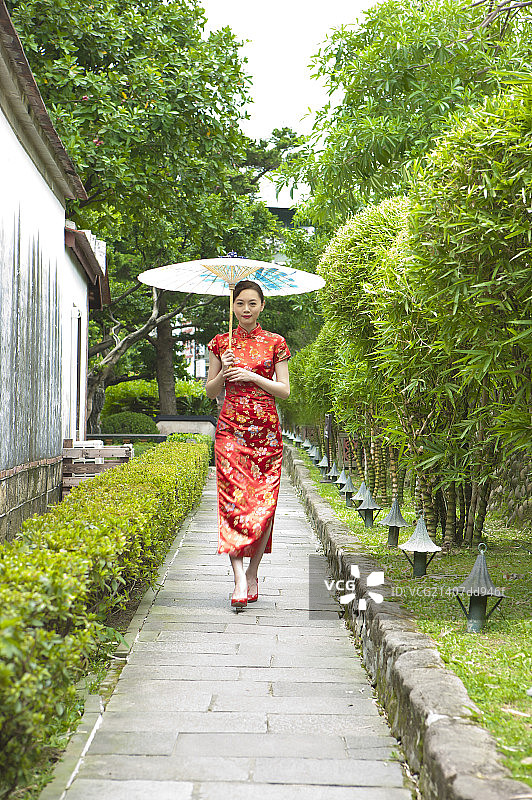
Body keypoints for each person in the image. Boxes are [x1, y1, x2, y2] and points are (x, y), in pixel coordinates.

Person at [205, 279, 291, 610]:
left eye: (252, 303)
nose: (246, 309)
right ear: (233, 306)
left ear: (262, 306)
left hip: (266, 434)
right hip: (231, 432)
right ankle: (239, 578)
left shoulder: (275, 342)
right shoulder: (220, 343)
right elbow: (211, 392)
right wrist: (224, 371)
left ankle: (253, 572)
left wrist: (252, 376)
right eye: (240, 303)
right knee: (232, 502)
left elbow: (284, 390)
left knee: (264, 505)